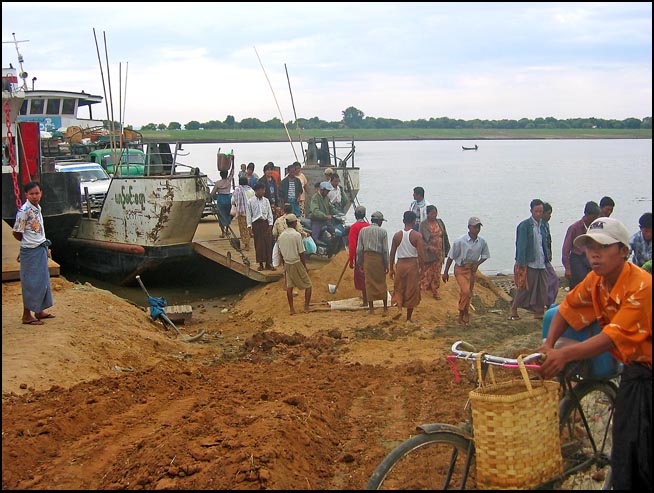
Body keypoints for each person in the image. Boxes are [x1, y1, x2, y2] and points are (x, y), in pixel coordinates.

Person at [538, 217, 652, 490]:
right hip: (634, 369)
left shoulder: (642, 287)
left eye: (602, 246)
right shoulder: (595, 281)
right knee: (626, 445)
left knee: (644, 451)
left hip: (647, 368)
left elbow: (611, 336)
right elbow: (565, 309)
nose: (594, 254)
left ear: (623, 251)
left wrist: (565, 355)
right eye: (589, 248)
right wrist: (548, 343)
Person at [12, 181, 55, 325]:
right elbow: (17, 232)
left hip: (39, 247)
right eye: (32, 194)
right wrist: (26, 245)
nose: (35, 196)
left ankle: (39, 310)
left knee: (42, 281)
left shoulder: (37, 208)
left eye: (37, 193)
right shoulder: (24, 211)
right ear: (26, 195)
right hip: (31, 250)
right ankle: (26, 315)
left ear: (41, 193)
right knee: (31, 282)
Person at [442, 216, 490, 326]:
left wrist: (477, 264)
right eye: (475, 227)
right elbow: (451, 257)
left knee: (468, 293)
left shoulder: (481, 242)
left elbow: (485, 255)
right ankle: (462, 312)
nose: (477, 229)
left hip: (471, 269)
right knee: (465, 291)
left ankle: (464, 312)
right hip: (460, 269)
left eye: (478, 227)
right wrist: (445, 272)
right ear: (469, 227)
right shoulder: (460, 241)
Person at [509, 199, 550, 320]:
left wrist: (548, 258)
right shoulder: (525, 226)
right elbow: (521, 245)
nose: (538, 214)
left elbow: (545, 243)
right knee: (525, 288)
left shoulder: (544, 225)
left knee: (542, 288)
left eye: (541, 211)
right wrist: (521, 263)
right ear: (531, 211)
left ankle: (538, 311)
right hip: (529, 262)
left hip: (541, 262)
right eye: (536, 211)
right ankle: (514, 308)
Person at [389, 211, 424, 323]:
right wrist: (422, 269)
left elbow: (392, 253)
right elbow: (420, 254)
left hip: (400, 264)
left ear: (403, 221)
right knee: (411, 290)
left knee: (398, 288)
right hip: (412, 264)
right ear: (414, 222)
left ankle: (399, 309)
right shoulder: (417, 236)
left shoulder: (397, 235)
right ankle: (408, 317)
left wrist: (391, 268)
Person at [277, 214, 312, 315]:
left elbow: (280, 252)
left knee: (290, 286)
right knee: (308, 285)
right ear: (294, 223)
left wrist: (284, 266)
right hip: (296, 262)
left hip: (287, 262)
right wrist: (304, 266)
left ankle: (292, 309)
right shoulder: (297, 235)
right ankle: (306, 307)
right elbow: (301, 252)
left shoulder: (281, 236)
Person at [356, 210, 389, 315]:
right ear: (379, 221)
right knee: (381, 281)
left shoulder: (363, 231)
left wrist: (360, 262)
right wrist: (386, 263)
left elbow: (359, 249)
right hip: (378, 258)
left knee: (369, 282)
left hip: (367, 259)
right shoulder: (383, 232)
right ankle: (384, 308)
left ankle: (371, 309)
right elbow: (385, 250)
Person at [561, 201, 601, 289]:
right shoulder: (574, 228)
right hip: (577, 259)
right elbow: (565, 250)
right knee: (580, 284)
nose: (595, 219)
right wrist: (567, 268)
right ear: (587, 215)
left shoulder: (595, 228)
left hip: (589, 259)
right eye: (594, 217)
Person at [419, 204, 450, 300]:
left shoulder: (440, 222)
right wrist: (428, 247)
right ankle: (424, 288)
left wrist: (447, 247)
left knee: (437, 271)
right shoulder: (423, 225)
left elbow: (444, 235)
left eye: (435, 213)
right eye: (432, 213)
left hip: (439, 251)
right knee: (427, 271)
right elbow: (421, 239)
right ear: (427, 214)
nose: (434, 215)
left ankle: (435, 290)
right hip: (429, 252)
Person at [246, 182, 275, 271]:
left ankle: (269, 263)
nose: (263, 191)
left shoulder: (266, 201)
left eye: (263, 190)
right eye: (261, 190)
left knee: (268, 244)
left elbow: (270, 213)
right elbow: (249, 215)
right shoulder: (250, 201)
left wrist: (270, 225)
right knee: (258, 244)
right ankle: (261, 263)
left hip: (265, 223)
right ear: (256, 191)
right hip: (256, 224)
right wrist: (249, 228)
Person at [349, 205, 371, 306]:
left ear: (355, 215)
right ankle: (368, 298)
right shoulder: (369, 226)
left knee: (361, 278)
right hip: (370, 255)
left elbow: (352, 245)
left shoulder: (354, 227)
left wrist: (351, 260)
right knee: (369, 276)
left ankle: (366, 301)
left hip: (360, 256)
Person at [542, 202, 559, 308]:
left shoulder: (545, 225)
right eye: (548, 213)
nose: (550, 216)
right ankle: (548, 302)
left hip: (546, 258)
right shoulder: (539, 226)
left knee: (551, 280)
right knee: (553, 279)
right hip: (541, 259)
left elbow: (548, 242)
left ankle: (548, 301)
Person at [210, 165, 235, 238]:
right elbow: (232, 172)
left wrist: (209, 197)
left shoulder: (217, 183)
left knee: (220, 215)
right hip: (228, 198)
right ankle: (227, 230)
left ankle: (223, 232)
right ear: (227, 175)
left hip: (220, 199)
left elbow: (213, 193)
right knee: (227, 215)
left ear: (220, 175)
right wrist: (232, 162)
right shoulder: (229, 180)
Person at [231, 176, 255, 250]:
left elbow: (233, 201)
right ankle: (250, 242)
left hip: (242, 213)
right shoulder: (251, 190)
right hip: (250, 213)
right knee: (249, 227)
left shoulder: (237, 190)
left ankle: (246, 244)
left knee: (243, 229)